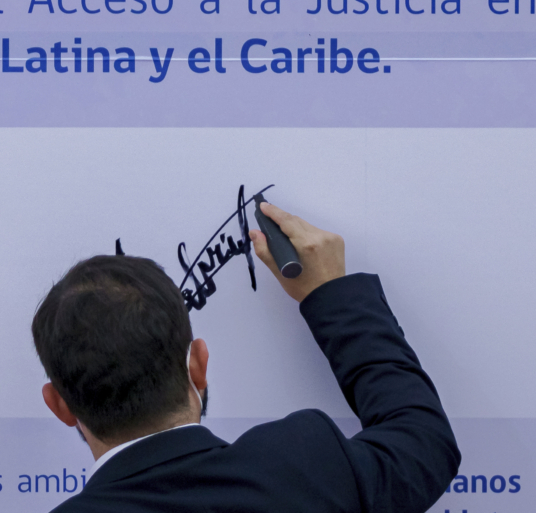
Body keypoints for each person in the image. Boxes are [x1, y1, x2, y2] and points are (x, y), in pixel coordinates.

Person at [30, 201, 460, 512]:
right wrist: (333, 297)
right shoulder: (307, 469)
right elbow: (422, 439)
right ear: (197, 366)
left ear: (59, 405)